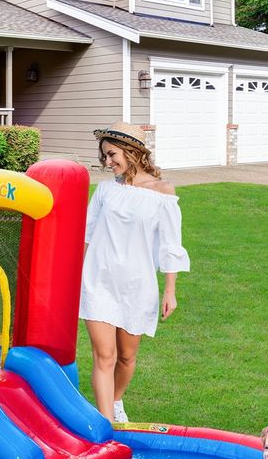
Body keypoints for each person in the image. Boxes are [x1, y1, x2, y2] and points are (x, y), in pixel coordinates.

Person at [79, 122, 190, 423]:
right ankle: (107, 428)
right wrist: (74, 278)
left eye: (112, 154)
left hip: (136, 286)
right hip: (98, 281)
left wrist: (170, 291)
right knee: (105, 356)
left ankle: (115, 402)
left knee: (126, 358)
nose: (107, 162)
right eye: (103, 156)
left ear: (132, 152)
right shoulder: (104, 191)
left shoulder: (163, 193)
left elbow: (171, 246)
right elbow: (86, 235)